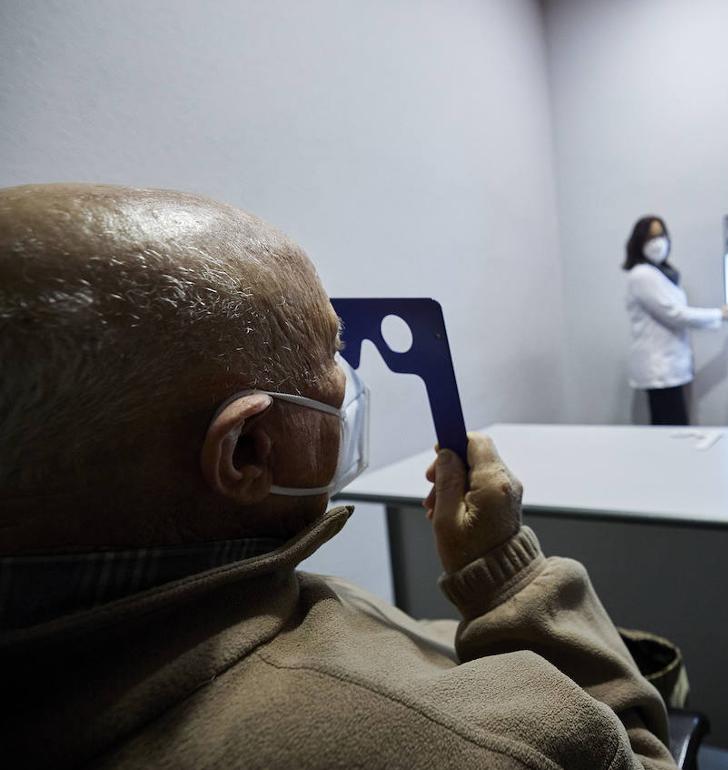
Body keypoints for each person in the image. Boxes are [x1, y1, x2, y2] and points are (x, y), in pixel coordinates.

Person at [0, 184, 676, 769]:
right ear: (248, 452)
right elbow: (638, 755)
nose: (347, 380)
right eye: (330, 354)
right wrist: (509, 575)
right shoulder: (467, 745)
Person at [623, 215, 728, 426]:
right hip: (660, 369)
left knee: (673, 428)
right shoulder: (642, 275)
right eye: (651, 236)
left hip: (670, 366)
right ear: (639, 241)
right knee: (671, 430)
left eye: (661, 235)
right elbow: (675, 314)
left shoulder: (661, 274)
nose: (658, 242)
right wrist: (718, 315)